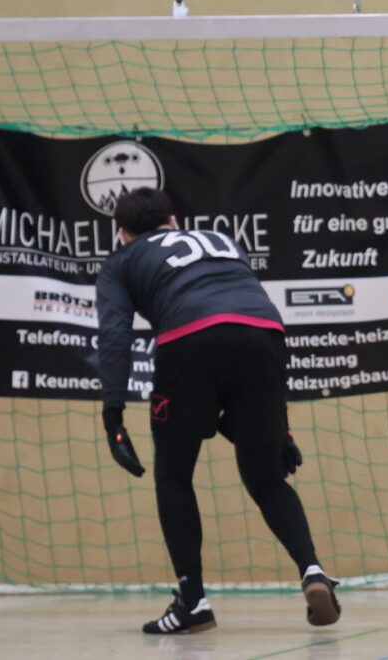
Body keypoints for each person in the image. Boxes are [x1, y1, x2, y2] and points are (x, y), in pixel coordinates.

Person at [96, 187, 340, 635]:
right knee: (266, 476)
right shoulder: (222, 241)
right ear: (173, 221)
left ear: (122, 234)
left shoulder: (121, 261)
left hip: (188, 340)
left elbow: (115, 336)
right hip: (264, 334)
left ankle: (193, 602)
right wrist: (280, 428)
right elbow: (242, 318)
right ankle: (313, 571)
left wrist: (113, 415)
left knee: (174, 474)